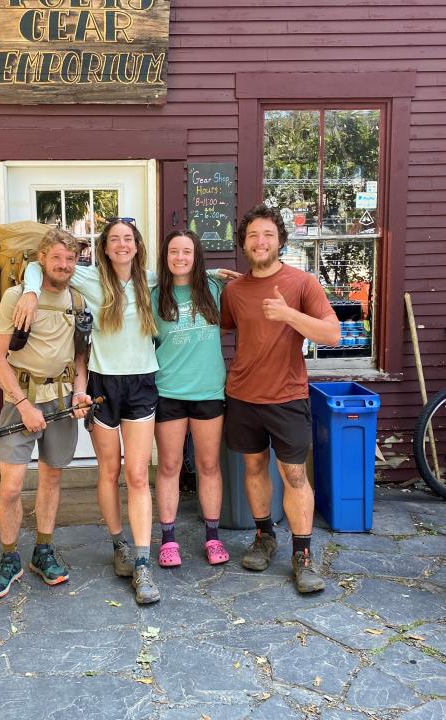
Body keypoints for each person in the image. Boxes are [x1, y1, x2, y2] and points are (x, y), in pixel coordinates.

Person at [15, 219, 162, 604]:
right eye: (114, 239)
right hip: (102, 382)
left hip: (142, 382)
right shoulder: (89, 279)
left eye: (127, 239)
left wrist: (211, 274)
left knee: (137, 475)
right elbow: (35, 265)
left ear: (136, 244)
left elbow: (185, 271)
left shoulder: (148, 280)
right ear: (105, 247)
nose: (121, 245)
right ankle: (120, 546)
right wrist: (30, 293)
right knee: (109, 471)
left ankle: (144, 563)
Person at [220, 204, 340, 593]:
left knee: (294, 474)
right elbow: (218, 324)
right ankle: (264, 537)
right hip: (242, 396)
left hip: (287, 396)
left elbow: (331, 335)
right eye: (253, 235)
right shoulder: (234, 291)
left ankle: (302, 556)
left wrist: (289, 315)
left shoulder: (303, 283)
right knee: (254, 470)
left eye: (268, 234)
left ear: (280, 241)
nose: (260, 241)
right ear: (244, 243)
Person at [0, 228, 92, 599]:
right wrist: (24, 405)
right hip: (21, 402)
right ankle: (10, 556)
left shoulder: (78, 300)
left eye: (70, 259)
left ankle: (42, 551)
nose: (63, 265)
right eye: (57, 258)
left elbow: (80, 357)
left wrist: (80, 392)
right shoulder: (17, 297)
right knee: (11, 487)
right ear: (41, 259)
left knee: (51, 480)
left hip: (62, 400)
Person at [152, 230, 230, 568]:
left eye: (187, 251)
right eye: (174, 252)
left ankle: (213, 537)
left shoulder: (214, 289)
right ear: (166, 256)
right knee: (169, 466)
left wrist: (213, 275)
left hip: (209, 391)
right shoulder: (154, 294)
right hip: (168, 390)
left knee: (208, 465)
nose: (180, 257)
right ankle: (168, 540)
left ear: (197, 256)